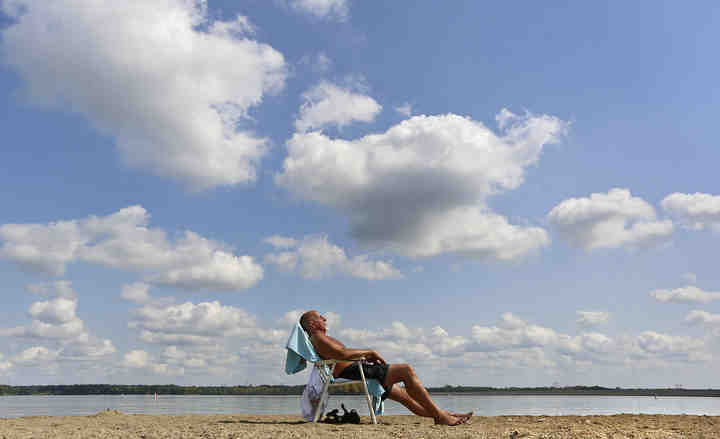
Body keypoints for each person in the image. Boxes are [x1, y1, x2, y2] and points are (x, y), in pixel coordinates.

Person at [300, 310, 472, 426]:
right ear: (312, 324)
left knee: (406, 397)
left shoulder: (321, 337)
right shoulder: (318, 338)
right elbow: (342, 354)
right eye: (321, 317)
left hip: (359, 370)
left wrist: (366, 357)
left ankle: (443, 414)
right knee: (406, 370)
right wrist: (370, 352)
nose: (325, 319)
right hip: (353, 372)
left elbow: (341, 353)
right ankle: (441, 417)